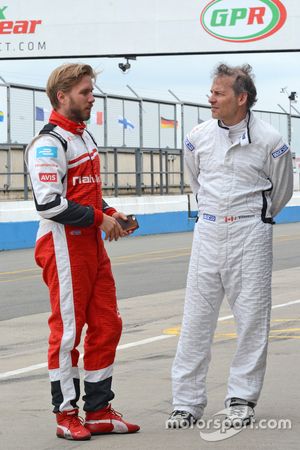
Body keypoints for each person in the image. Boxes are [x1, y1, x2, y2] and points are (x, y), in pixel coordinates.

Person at [167, 63, 293, 429]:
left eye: (219, 93)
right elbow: (196, 180)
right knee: (195, 320)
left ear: (242, 98)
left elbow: (281, 191)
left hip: (250, 234)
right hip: (207, 231)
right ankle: (186, 402)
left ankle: (241, 398)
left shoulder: (272, 141)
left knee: (253, 318)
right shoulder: (197, 136)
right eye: (211, 92)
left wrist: (254, 218)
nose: (211, 98)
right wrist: (213, 214)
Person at [26, 63, 140, 441]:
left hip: (89, 244)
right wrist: (98, 219)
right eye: (85, 92)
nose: (92, 98)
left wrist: (110, 213)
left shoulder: (84, 138)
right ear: (62, 96)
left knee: (108, 324)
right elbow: (48, 204)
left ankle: (98, 410)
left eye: (92, 91)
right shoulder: (48, 143)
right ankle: (65, 414)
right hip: (61, 245)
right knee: (68, 332)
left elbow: (85, 194)